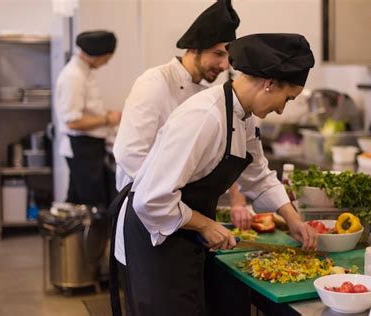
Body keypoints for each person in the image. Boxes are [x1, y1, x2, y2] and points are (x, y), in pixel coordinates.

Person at [118, 32, 317, 315]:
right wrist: (204, 224)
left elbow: (257, 174)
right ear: (270, 84)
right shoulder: (204, 117)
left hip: (185, 236)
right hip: (157, 236)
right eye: (287, 98)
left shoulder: (244, 116)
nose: (282, 109)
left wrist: (292, 218)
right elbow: (151, 199)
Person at [112, 0, 251, 240]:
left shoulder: (205, 93)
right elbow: (129, 153)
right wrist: (167, 195)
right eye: (217, 54)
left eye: (227, 57)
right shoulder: (155, 82)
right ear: (194, 48)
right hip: (144, 211)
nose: (223, 65)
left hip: (181, 214)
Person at [54, 30, 121, 209]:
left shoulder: (84, 72)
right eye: (107, 58)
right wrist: (107, 119)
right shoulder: (73, 76)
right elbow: (73, 121)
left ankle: (74, 237)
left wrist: (106, 115)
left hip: (90, 147)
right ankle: (90, 237)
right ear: (97, 56)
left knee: (76, 201)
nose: (106, 63)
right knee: (93, 205)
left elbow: (86, 110)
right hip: (82, 147)